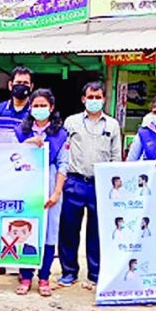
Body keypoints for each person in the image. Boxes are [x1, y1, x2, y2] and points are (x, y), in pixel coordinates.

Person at [57, 81, 122, 289]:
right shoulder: (71, 122)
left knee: (97, 231)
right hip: (74, 181)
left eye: (98, 97)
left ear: (104, 99)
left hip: (100, 183)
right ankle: (68, 272)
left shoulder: (112, 125)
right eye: (90, 97)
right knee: (68, 229)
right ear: (83, 99)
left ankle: (95, 273)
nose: (94, 101)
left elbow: (116, 157)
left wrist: (114, 184)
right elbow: (63, 151)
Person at [13, 89, 68, 296]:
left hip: (51, 184)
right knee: (27, 230)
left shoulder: (61, 134)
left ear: (51, 108)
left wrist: (56, 193)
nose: (39, 109)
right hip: (26, 186)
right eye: (35, 105)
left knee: (49, 232)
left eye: (43, 105)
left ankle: (44, 277)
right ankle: (25, 276)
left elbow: (64, 164)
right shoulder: (21, 132)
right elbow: (10, 157)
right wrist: (27, 145)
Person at [0, 66, 33, 144]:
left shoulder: (35, 112)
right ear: (10, 85)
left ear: (31, 87)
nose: (21, 85)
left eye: (25, 83)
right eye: (18, 82)